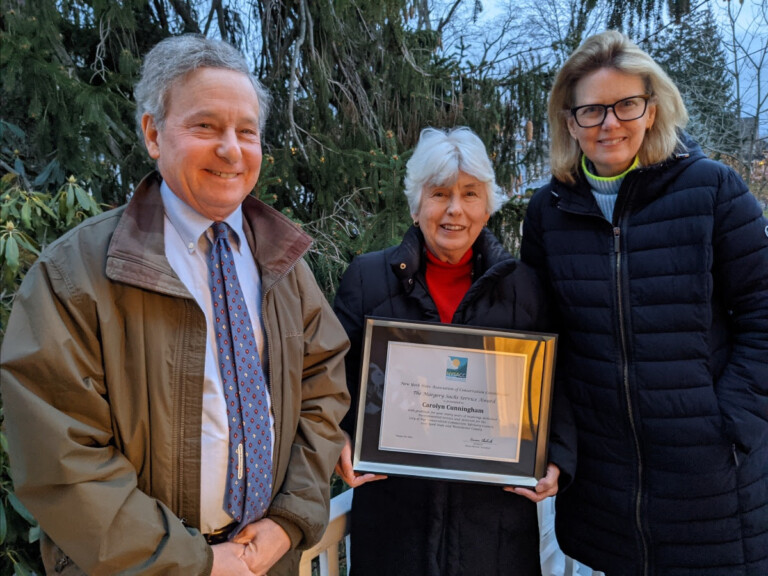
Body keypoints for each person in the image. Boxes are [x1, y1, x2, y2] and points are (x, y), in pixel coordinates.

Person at [0, 35, 350, 576]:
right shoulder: (74, 275)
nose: (231, 149)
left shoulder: (284, 263)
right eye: (205, 126)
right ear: (153, 133)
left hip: (266, 560)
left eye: (246, 131)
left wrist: (287, 520)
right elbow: (63, 459)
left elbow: (322, 392)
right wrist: (196, 563)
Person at [521, 30, 768, 575]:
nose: (609, 123)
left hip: (711, 482)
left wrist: (732, 422)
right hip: (603, 486)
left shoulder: (713, 191)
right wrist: (554, 443)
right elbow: (541, 336)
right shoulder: (548, 212)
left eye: (625, 104)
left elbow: (762, 310)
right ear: (570, 122)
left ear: (652, 110)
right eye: (591, 110)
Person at [332, 126, 561, 576]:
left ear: (488, 205)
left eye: (470, 194)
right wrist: (337, 436)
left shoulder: (524, 287)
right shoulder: (368, 278)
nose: (455, 210)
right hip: (394, 521)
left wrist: (557, 458)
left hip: (493, 528)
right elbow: (330, 376)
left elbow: (561, 390)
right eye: (440, 193)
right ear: (417, 203)